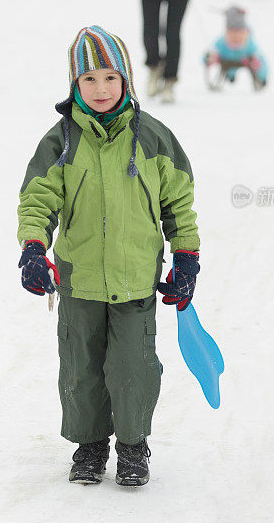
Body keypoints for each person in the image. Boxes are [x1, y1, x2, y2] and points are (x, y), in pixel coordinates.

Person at [17, 26, 200, 487]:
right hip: (78, 281)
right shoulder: (60, 142)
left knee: (132, 367)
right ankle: (91, 444)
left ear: (127, 81)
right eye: (89, 80)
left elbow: (179, 203)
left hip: (137, 278)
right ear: (74, 85)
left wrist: (186, 257)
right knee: (81, 368)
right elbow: (37, 201)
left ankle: (133, 446)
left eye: (110, 78)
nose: (100, 90)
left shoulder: (155, 139)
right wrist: (34, 248)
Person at [203, 6, 269, 91]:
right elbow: (210, 54)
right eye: (232, 33)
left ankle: (260, 80)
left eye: (239, 33)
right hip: (226, 62)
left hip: (245, 61)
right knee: (227, 67)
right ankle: (230, 76)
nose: (236, 37)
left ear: (245, 32)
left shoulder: (250, 45)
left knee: (258, 64)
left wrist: (259, 68)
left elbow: (262, 61)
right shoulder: (221, 43)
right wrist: (209, 59)